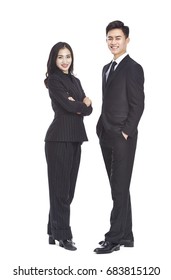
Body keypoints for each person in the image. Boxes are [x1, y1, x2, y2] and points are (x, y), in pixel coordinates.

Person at [94, 20, 145, 254]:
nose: (113, 42)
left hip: (123, 137)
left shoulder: (133, 68)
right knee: (119, 187)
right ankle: (126, 235)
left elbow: (138, 104)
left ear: (127, 40)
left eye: (118, 38)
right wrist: (101, 127)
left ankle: (113, 238)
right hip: (106, 134)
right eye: (110, 38)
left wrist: (126, 131)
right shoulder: (107, 68)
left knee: (119, 187)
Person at [44, 42, 92, 251]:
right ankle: (63, 235)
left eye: (68, 56)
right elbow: (69, 105)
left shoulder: (75, 80)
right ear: (54, 60)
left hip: (75, 138)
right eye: (60, 57)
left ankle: (52, 230)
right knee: (60, 190)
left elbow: (89, 110)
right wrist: (80, 103)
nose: (65, 61)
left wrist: (80, 104)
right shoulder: (53, 80)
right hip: (58, 139)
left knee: (67, 190)